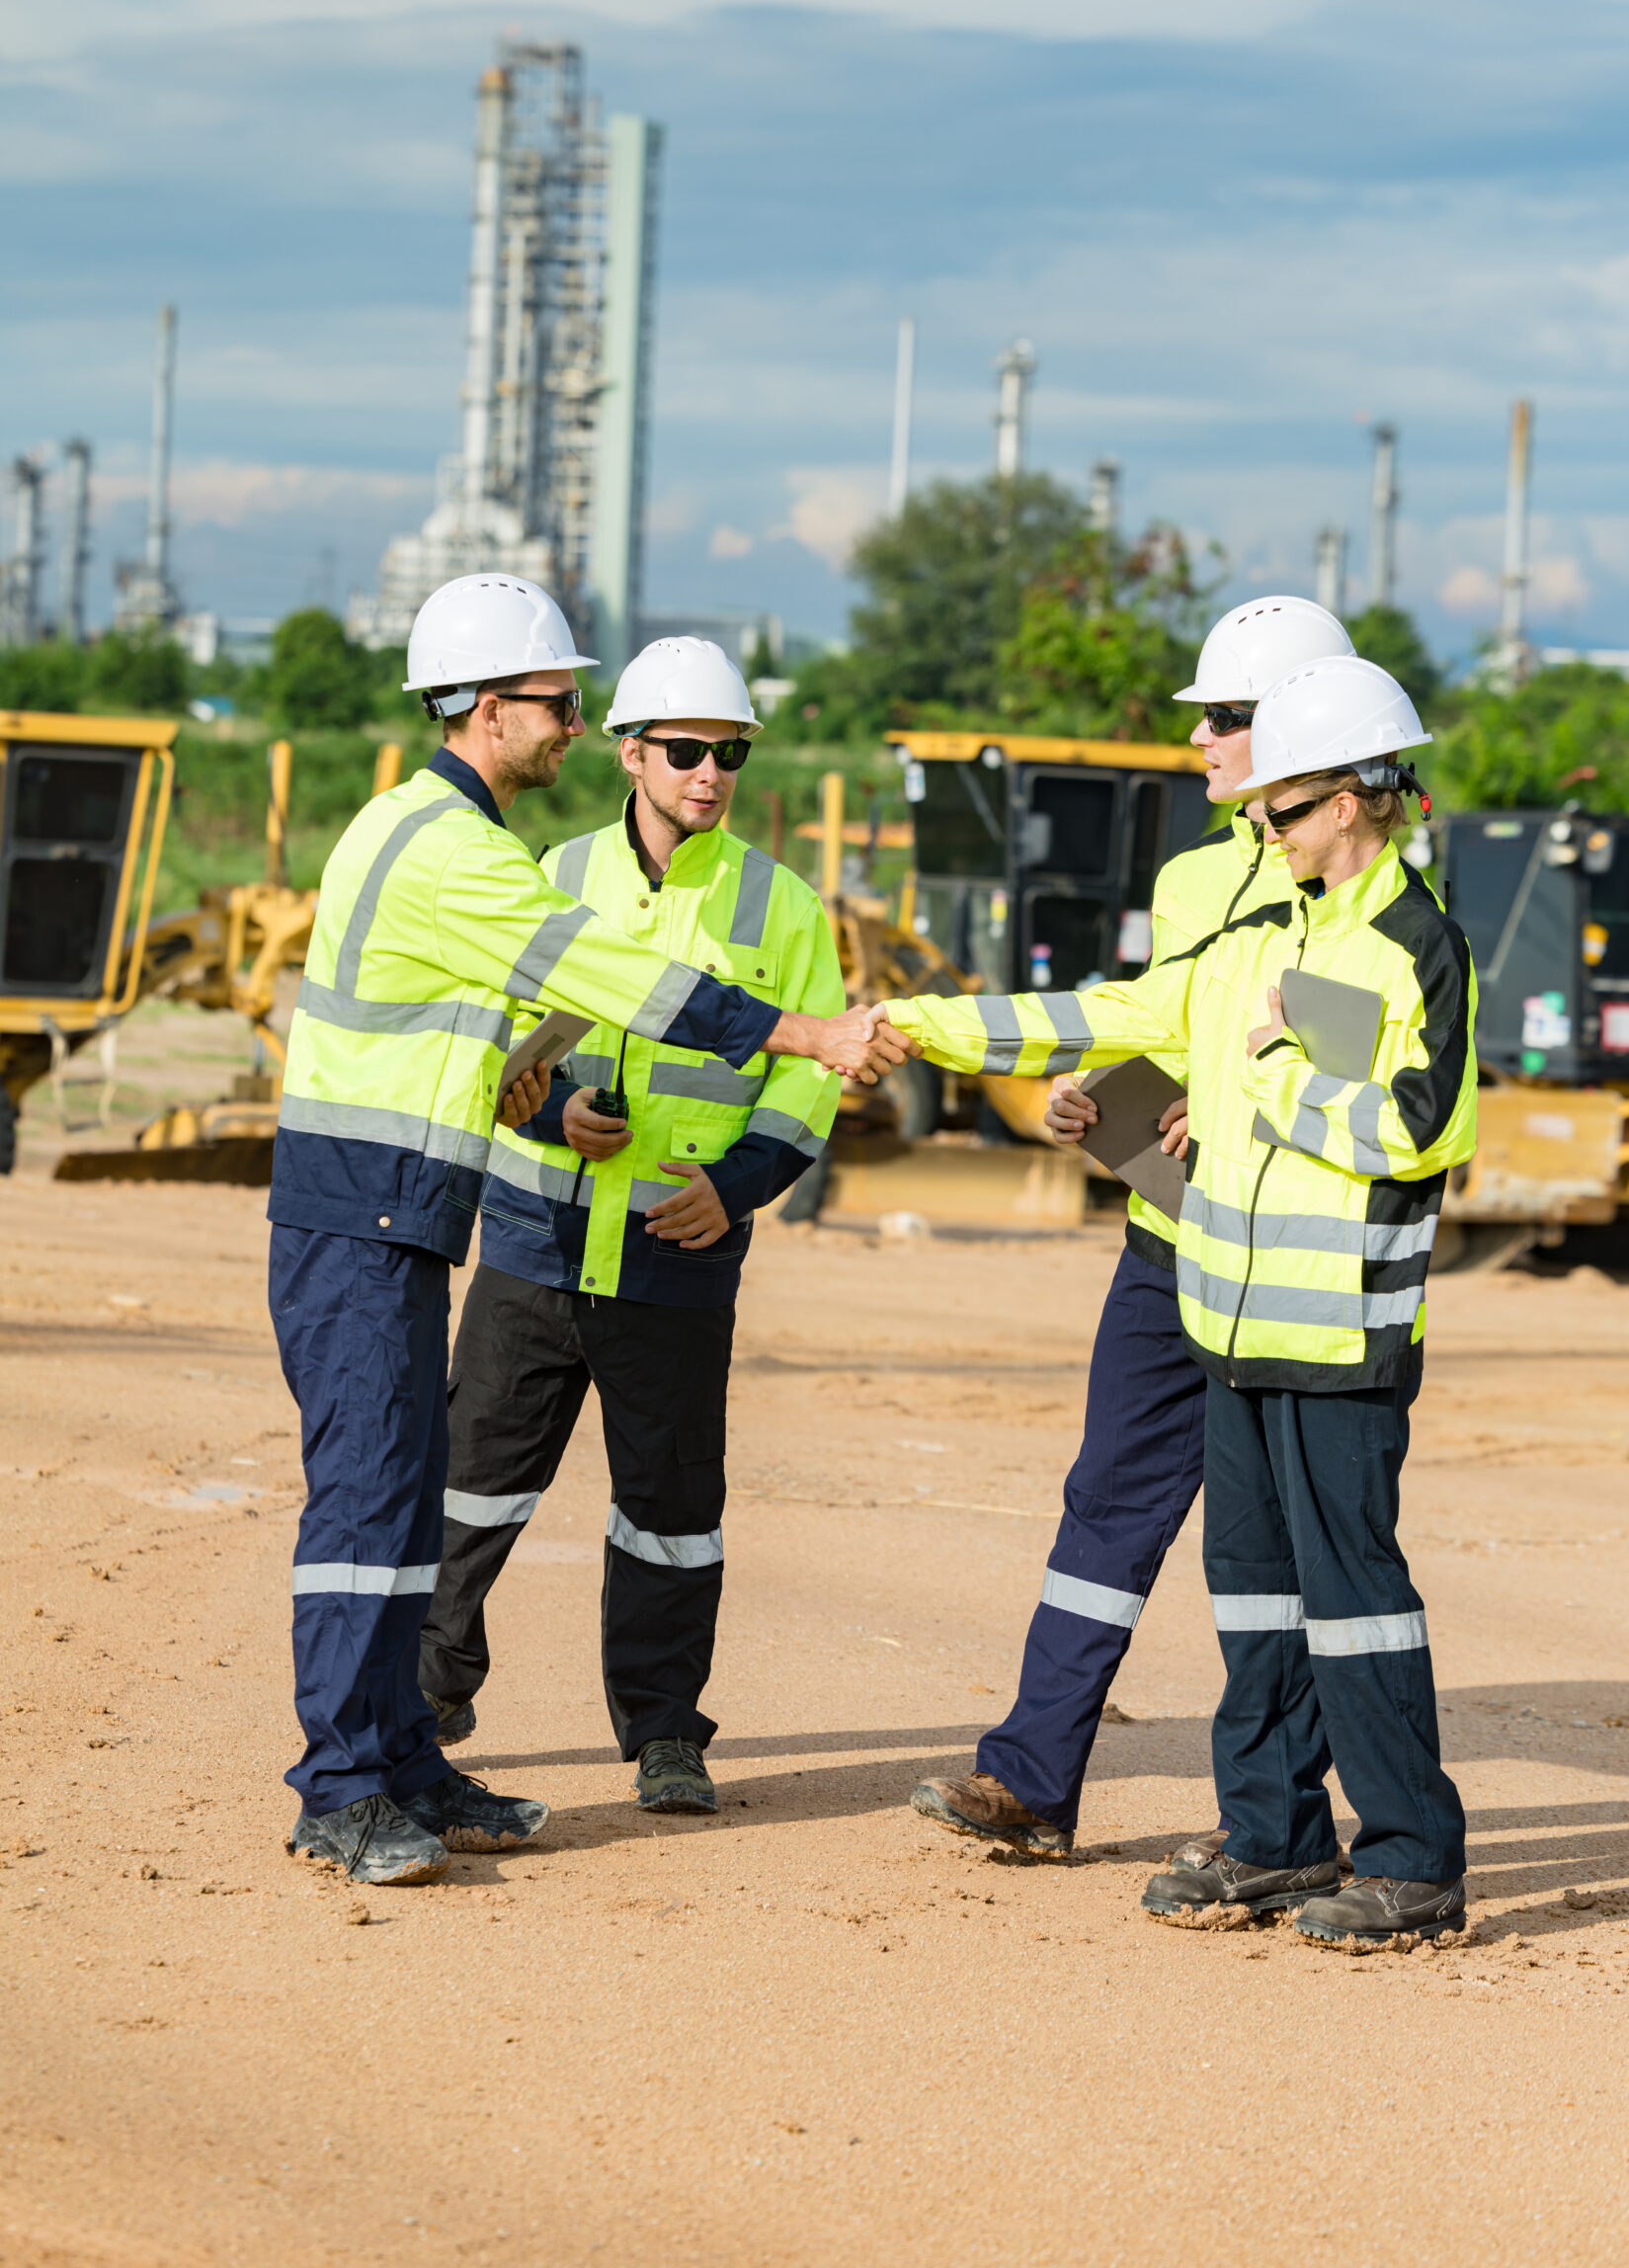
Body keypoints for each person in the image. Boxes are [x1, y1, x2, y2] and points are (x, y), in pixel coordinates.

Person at [270, 574, 910, 1888]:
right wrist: (803, 1032)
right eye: (559, 701)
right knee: (371, 1510)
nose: (571, 721)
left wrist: (526, 1088)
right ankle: (340, 1794)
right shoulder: (454, 849)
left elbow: (482, 1029)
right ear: (487, 705)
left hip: (410, 1213)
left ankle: (403, 1765)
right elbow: (615, 978)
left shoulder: (458, 836)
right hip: (370, 1216)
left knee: (401, 1513)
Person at [885, 654, 1476, 1949]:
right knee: (1253, 1596)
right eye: (1264, 807)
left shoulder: (1411, 947)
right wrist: (913, 1024)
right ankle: (1270, 1840)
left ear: (1370, 795)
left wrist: (1281, 1084)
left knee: (1354, 1600)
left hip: (1341, 1341)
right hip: (1231, 1330)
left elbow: (1432, 1133)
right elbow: (1100, 1007)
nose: (1263, 824)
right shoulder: (1265, 937)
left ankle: (1416, 1857)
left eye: (1289, 804)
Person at [907, 595, 1356, 1857]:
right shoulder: (1192, 874)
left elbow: (1350, 1073)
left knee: (1274, 1555)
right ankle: (1032, 1781)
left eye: (1225, 718)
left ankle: (1273, 1827)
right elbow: (1158, 1016)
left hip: (1288, 1269)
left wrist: (1226, 1110)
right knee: (1106, 1500)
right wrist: (1094, 1089)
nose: (1202, 740)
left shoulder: (1370, 891)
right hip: (1167, 1249)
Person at [417, 638, 846, 1814]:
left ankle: (664, 1733)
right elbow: (490, 1039)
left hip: (677, 1253)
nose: (710, 773)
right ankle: (430, 1694)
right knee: (473, 1483)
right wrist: (556, 1111)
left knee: (669, 1511)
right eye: (687, 750)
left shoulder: (783, 903)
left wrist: (741, 1184)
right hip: (535, 1239)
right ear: (629, 751)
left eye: (730, 753)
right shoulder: (546, 871)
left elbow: (810, 1077)